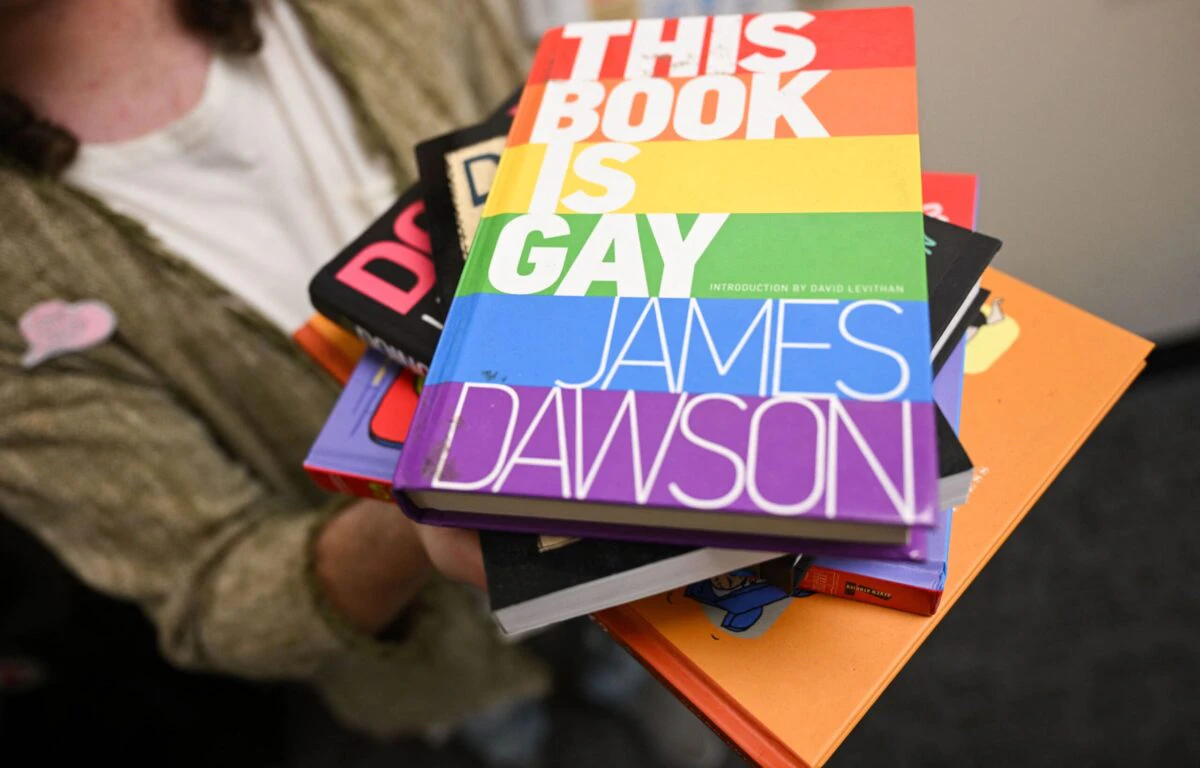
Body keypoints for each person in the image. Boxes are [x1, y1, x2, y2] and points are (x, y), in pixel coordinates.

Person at [0, 0, 549, 742]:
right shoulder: (20, 267)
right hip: (468, 673)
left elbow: (551, 117)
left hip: (691, 507)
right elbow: (215, 594)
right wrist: (418, 508)